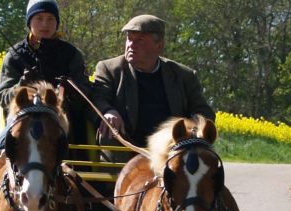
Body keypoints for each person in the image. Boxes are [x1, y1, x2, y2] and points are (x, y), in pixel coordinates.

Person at [0, 0, 91, 154]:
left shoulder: (72, 54)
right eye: (39, 18)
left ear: (57, 23)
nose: (45, 24)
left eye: (50, 19)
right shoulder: (14, 56)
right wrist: (22, 85)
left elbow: (86, 92)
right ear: (29, 22)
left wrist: (71, 90)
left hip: (65, 123)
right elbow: (2, 96)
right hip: (22, 121)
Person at [91, 14, 214, 149]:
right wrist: (108, 111)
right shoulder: (109, 69)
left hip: (172, 148)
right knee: (108, 131)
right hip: (125, 143)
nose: (131, 45)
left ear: (159, 46)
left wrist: (196, 125)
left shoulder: (183, 75)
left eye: (140, 40)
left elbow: (203, 111)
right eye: (129, 39)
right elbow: (97, 98)